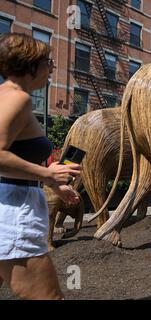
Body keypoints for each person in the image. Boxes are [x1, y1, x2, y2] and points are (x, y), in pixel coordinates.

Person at [0, 33, 81, 299]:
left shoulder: (5, 95)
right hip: (15, 215)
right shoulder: (18, 98)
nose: (51, 69)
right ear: (30, 65)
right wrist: (47, 173)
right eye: (48, 62)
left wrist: (50, 180)